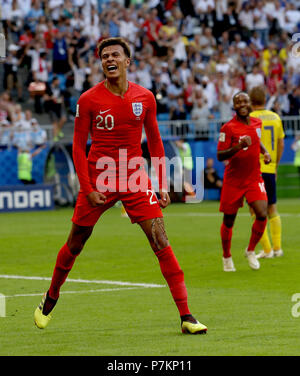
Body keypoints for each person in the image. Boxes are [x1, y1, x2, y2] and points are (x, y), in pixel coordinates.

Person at [33, 37, 207, 335]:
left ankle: (187, 316)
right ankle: (51, 297)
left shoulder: (145, 98)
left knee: (161, 240)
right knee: (77, 241)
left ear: (128, 61)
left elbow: (154, 140)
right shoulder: (88, 99)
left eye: (115, 54)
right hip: (99, 176)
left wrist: (162, 181)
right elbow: (77, 148)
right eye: (104, 56)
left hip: (135, 176)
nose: (108, 59)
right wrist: (87, 188)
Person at [217, 91, 271, 272]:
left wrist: (265, 151)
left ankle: (250, 250)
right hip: (234, 180)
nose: (241, 104)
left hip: (254, 176)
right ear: (234, 106)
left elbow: (256, 139)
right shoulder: (228, 128)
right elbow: (219, 155)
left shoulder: (257, 122)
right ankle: (226, 256)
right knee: (229, 220)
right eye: (238, 102)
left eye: (244, 101)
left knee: (262, 213)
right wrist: (239, 146)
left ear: (250, 104)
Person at [249, 86, 285, 259]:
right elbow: (281, 144)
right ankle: (278, 248)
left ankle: (267, 250)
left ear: (250, 101)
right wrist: (275, 166)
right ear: (264, 99)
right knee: (272, 207)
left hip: (254, 170)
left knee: (255, 211)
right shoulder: (275, 117)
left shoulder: (249, 118)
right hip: (270, 169)